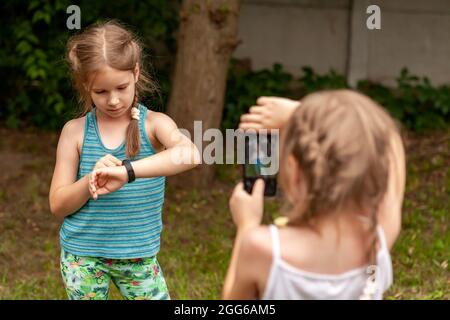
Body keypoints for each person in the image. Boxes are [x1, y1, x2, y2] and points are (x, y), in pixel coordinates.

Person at [49, 21, 199, 300]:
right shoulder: (75, 132)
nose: (114, 100)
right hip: (83, 257)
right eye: (101, 92)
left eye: (121, 87)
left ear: (136, 73)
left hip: (138, 256)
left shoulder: (154, 124)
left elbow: (190, 153)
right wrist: (89, 181)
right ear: (85, 86)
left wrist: (127, 171)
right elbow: (58, 204)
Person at [223, 90, 406, 299]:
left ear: (294, 172)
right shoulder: (375, 242)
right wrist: (298, 113)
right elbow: (389, 138)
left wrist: (247, 225)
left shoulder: (263, 249)